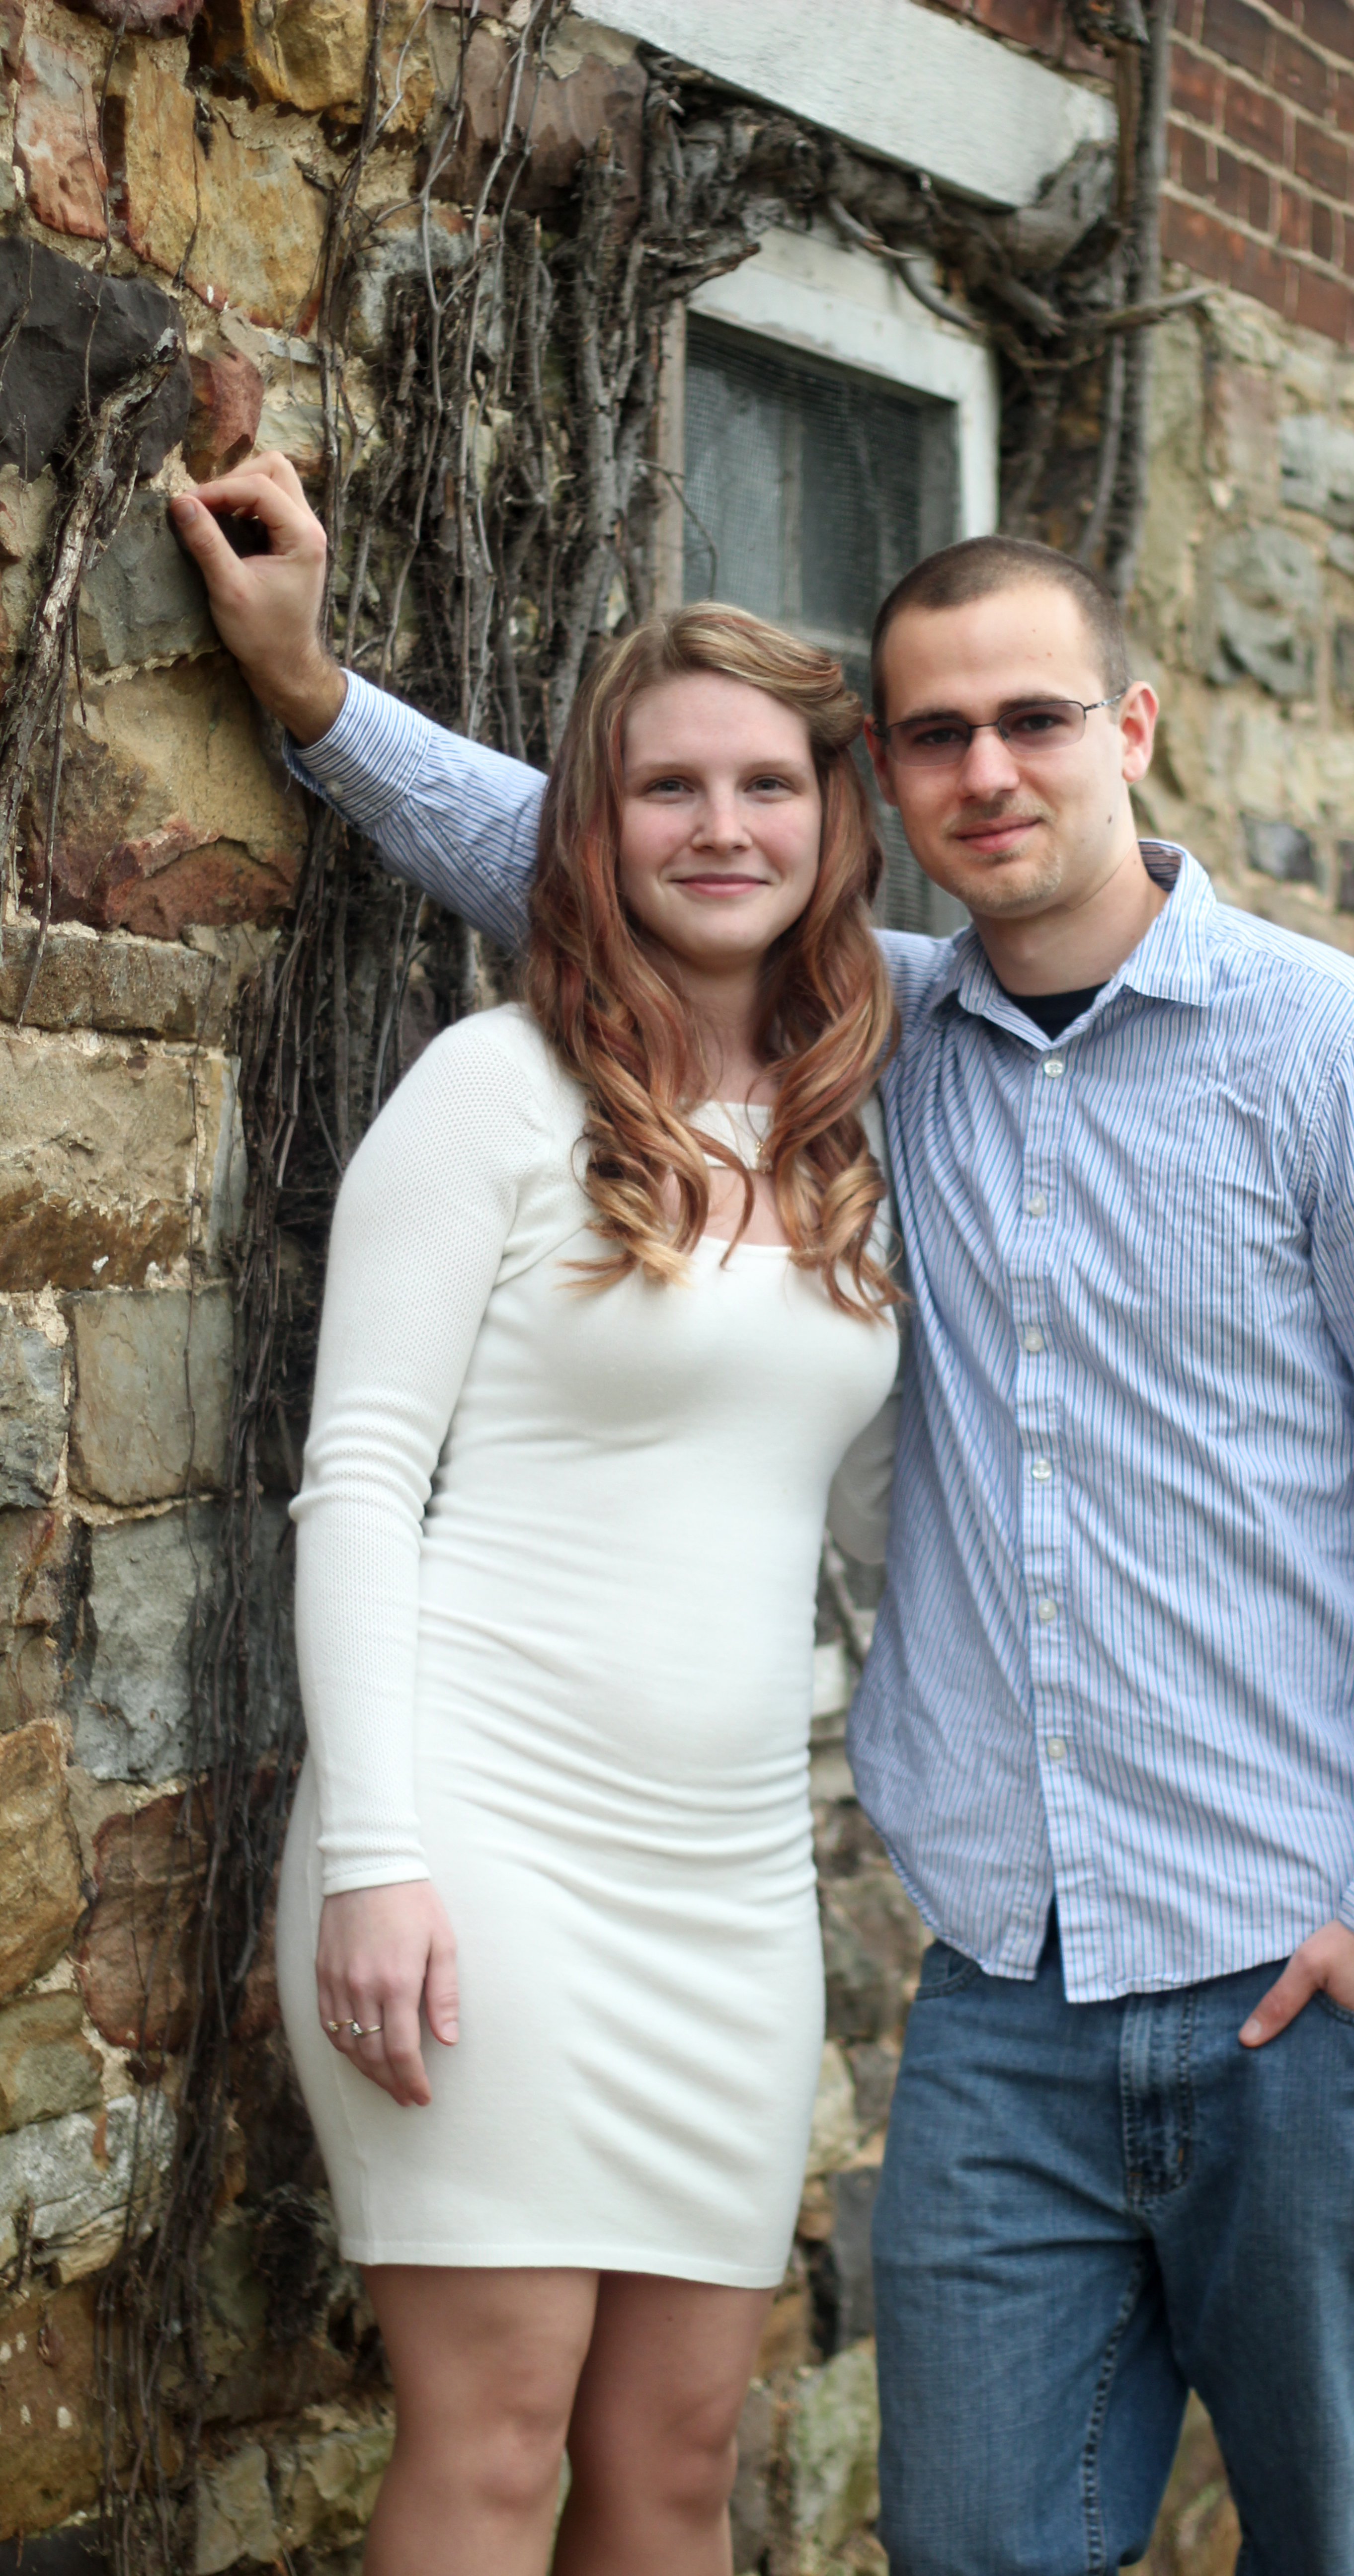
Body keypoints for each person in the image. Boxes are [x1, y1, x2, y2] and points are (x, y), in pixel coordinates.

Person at [176, 458, 1354, 2576]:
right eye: (936, 735)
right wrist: (316, 696)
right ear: (891, 786)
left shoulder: (1336, 1060)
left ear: (1133, 727)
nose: (989, 771)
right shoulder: (893, 1039)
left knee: (1339, 2546)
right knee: (971, 2542)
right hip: (1001, 1984)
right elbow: (598, 849)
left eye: (1035, 720)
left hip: (1294, 1967)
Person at [266, 580, 903, 2576]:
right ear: (592, 826)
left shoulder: (857, 1126)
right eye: (665, 788)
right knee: (494, 2442)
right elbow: (360, 1475)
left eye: (766, 784)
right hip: (480, 1843)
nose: (721, 827)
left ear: (831, 821)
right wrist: (377, 1851)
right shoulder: (497, 1089)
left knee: (682, 2460)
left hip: (724, 1887)